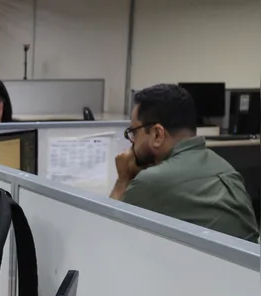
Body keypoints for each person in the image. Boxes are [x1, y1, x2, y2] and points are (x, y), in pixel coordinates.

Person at [111, 83, 259, 241]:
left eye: (134, 132)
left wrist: (123, 178)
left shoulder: (151, 182)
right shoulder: (225, 167)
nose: (132, 141)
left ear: (157, 135)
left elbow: (107, 230)